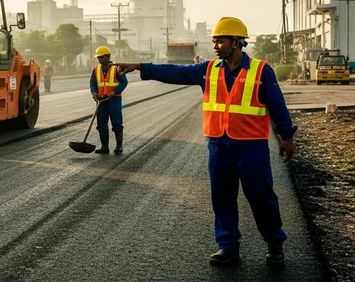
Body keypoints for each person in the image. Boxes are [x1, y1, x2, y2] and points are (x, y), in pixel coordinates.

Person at [114, 16, 296, 266]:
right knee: (221, 197)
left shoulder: (261, 70)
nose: (215, 45)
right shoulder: (208, 70)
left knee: (260, 196)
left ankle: (274, 243)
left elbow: (277, 105)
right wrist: (140, 66)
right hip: (218, 145)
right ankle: (228, 246)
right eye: (214, 40)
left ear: (236, 42)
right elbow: (175, 72)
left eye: (219, 40)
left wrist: (287, 137)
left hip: (251, 146)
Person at [89, 46, 128, 154]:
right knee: (101, 123)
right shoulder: (96, 69)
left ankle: (119, 146)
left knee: (116, 122)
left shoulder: (117, 68)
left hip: (114, 99)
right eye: (98, 57)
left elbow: (124, 82)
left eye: (101, 57)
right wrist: (94, 93)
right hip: (101, 100)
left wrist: (114, 92)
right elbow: (92, 83)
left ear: (108, 56)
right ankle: (104, 147)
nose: (99, 59)